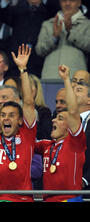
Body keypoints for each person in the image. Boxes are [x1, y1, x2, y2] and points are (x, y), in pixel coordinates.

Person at [0, 45, 37, 202]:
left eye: (11, 115)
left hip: (23, 199)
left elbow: (28, 102)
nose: (6, 119)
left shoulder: (27, 134)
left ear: (20, 120)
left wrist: (23, 69)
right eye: (3, 115)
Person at [34, 65, 86, 202]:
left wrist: (66, 80)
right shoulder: (46, 145)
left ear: (71, 126)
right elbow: (25, 141)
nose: (53, 120)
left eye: (60, 118)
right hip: (48, 200)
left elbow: (74, 112)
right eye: (55, 117)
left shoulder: (75, 143)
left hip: (70, 199)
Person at [35, 0, 90, 79]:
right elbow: (39, 50)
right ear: (60, 2)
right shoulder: (48, 24)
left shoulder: (87, 24)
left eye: (72, 0)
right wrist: (54, 37)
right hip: (50, 76)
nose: (67, 3)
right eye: (64, 0)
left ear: (79, 2)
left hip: (76, 78)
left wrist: (70, 32)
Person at [0, 0, 52, 77]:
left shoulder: (50, 9)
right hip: (15, 59)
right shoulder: (17, 8)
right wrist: (5, 2)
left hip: (39, 61)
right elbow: (2, 16)